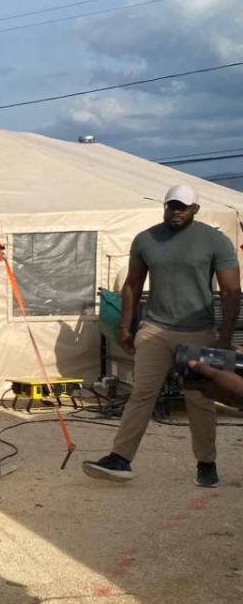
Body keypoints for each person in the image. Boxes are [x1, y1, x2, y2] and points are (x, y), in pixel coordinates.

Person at [83, 184, 240, 488]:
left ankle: (206, 463)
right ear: (164, 206)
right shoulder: (147, 239)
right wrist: (126, 327)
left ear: (195, 208)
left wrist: (223, 336)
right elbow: (131, 284)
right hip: (155, 329)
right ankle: (120, 458)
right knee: (142, 393)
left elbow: (232, 291)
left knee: (199, 399)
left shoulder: (215, 240)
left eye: (182, 206)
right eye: (171, 206)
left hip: (198, 331)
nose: (176, 211)